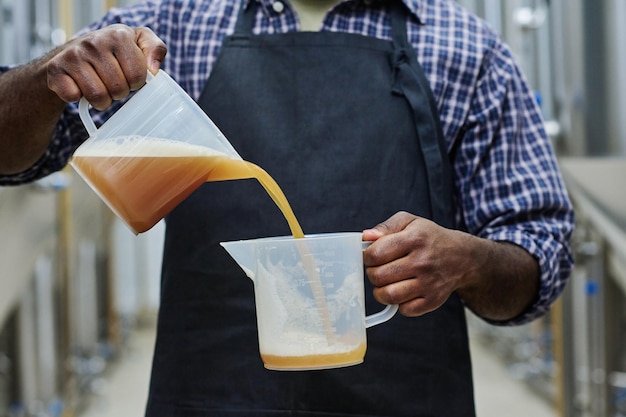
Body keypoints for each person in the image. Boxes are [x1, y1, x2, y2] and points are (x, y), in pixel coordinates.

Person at [0, 0, 574, 415]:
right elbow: (11, 157)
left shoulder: (466, 47)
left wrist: (470, 261)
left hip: (406, 397)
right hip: (210, 396)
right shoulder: (169, 26)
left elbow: (538, 261)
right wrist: (53, 74)